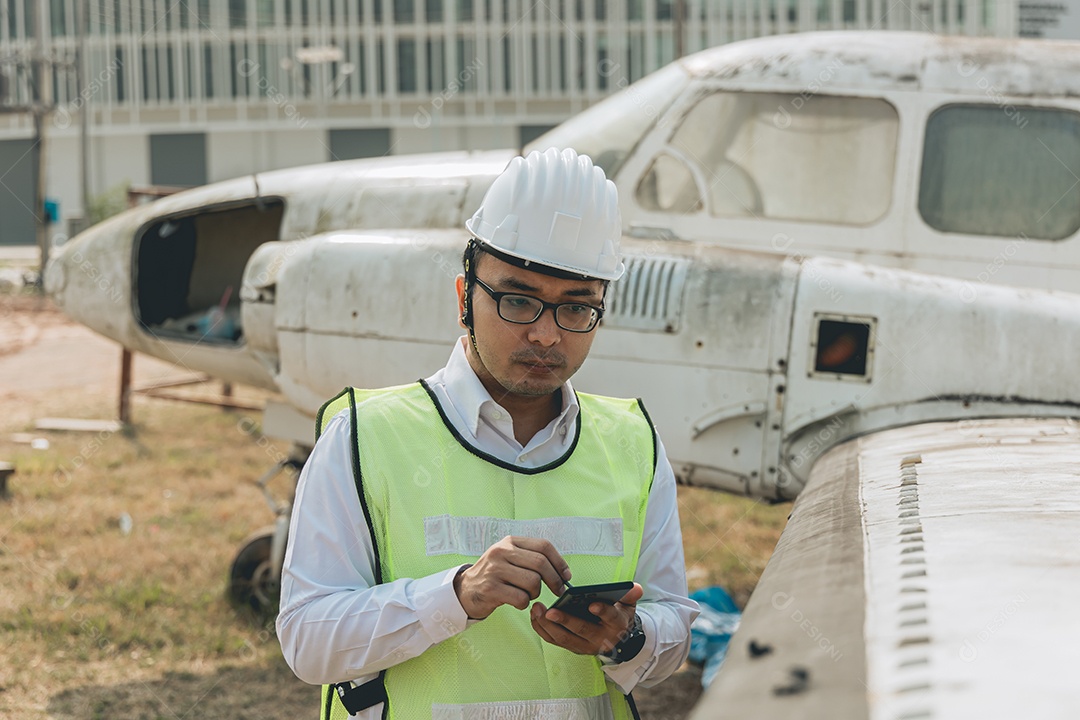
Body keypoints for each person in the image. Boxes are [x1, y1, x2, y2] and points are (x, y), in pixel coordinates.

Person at [277, 147, 698, 720]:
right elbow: (307, 642)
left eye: (577, 309)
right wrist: (453, 596)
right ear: (463, 299)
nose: (548, 336)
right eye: (518, 300)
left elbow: (672, 630)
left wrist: (627, 640)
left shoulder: (633, 444)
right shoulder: (365, 437)